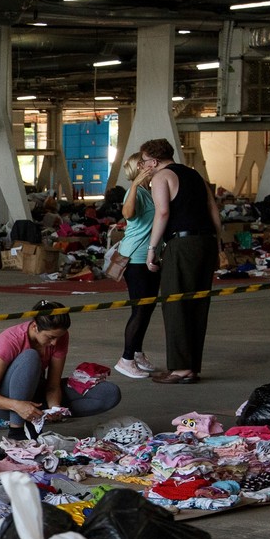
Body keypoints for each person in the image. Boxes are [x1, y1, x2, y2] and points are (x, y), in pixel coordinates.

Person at [141, 138, 224, 384]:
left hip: (182, 244)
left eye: (144, 162)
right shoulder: (194, 175)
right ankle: (192, 367)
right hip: (206, 242)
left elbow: (163, 212)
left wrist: (152, 248)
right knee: (198, 304)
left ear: (154, 161)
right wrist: (218, 246)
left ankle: (179, 368)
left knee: (175, 303)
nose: (144, 166)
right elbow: (213, 211)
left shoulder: (161, 177)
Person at [0, 301, 122, 440]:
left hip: (36, 394)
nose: (54, 343)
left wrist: (55, 408)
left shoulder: (59, 336)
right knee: (30, 357)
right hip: (6, 402)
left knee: (109, 393)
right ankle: (17, 431)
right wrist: (18, 406)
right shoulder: (10, 338)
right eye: (50, 337)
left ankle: (35, 416)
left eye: (58, 338)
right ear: (35, 326)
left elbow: (53, 385)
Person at [113, 153, 160, 380]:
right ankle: (126, 359)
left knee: (147, 309)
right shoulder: (135, 192)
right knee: (140, 309)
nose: (151, 166)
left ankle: (138, 353)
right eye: (145, 164)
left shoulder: (148, 192)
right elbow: (128, 214)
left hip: (149, 257)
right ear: (137, 168)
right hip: (136, 258)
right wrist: (134, 184)